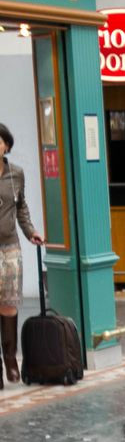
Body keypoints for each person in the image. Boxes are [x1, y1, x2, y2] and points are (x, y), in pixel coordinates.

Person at [0, 122, 42, 384]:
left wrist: (31, 232)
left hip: (10, 245)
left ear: (6, 145)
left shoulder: (16, 174)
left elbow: (21, 207)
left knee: (9, 304)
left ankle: (10, 360)